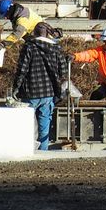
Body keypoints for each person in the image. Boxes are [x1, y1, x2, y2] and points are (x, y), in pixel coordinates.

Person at [12, 22, 69, 151]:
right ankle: (43, 151)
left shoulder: (29, 47)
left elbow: (22, 69)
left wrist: (16, 87)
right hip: (48, 92)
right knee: (44, 125)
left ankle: (26, 150)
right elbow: (63, 71)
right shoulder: (56, 48)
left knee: (27, 125)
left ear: (35, 33)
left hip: (30, 92)